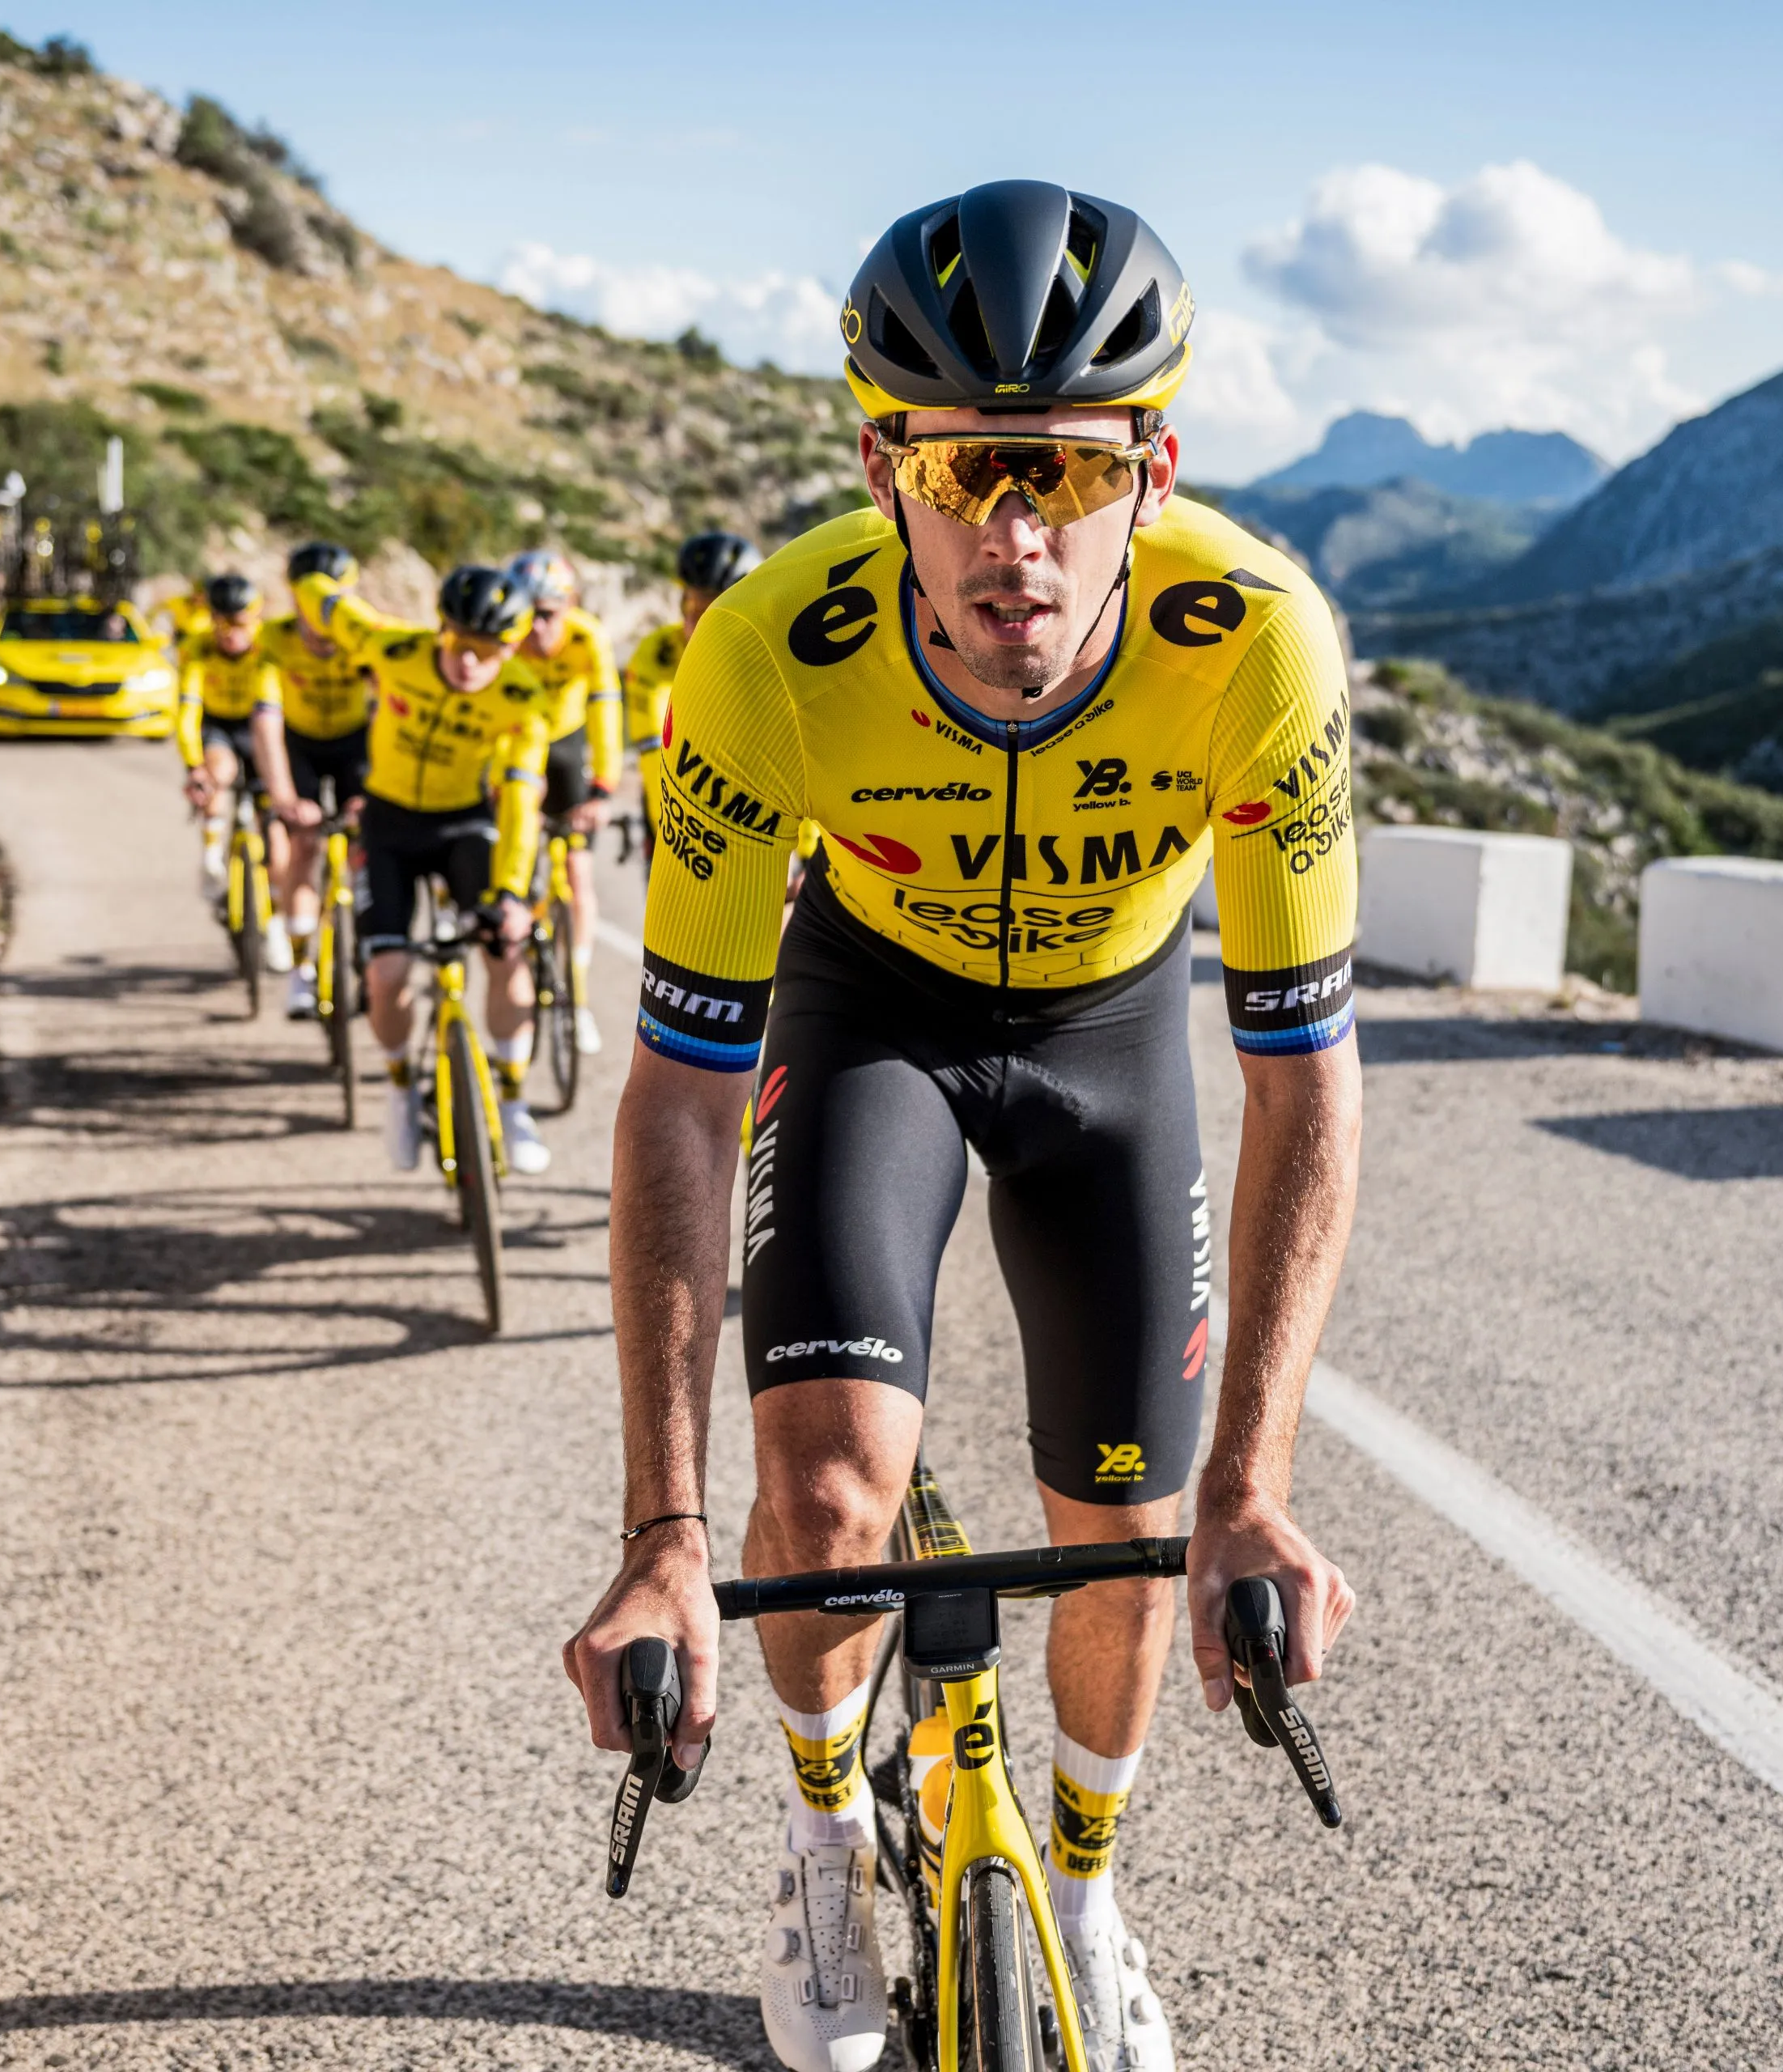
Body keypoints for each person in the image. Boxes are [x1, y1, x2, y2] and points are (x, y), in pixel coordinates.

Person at [562, 180, 1365, 2072]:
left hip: (1109, 1030)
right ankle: (828, 1841)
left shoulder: (1256, 644)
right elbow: (679, 1094)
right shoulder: (765, 651)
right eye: (965, 474)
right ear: (877, 464)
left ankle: (1084, 1888)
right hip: (875, 1018)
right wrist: (665, 1528)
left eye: (1071, 477)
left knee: (1128, 1518)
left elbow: (1300, 1078)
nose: (1018, 536)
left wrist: (1252, 1487)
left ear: (1153, 469)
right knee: (826, 1498)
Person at [358, 566, 561, 1178]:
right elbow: (327, 605)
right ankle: (399, 1087)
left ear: (511, 647)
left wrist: (511, 894)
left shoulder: (525, 699)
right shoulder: (393, 650)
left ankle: (515, 1098)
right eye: (457, 644)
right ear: (438, 629)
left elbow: (522, 799)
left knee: (506, 950)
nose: (470, 663)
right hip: (388, 824)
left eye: (489, 650)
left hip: (463, 827)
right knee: (387, 972)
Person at [257, 541, 398, 1017]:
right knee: (305, 843)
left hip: (356, 743)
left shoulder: (362, 641)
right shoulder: (274, 640)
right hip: (299, 744)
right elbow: (266, 723)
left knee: (368, 848)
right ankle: (301, 971)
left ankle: (364, 951)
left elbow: (390, 713)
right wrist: (282, 797)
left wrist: (377, 787)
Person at [504, 548, 619, 1055]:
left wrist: (604, 788)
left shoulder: (587, 637)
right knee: (513, 852)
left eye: (547, 614)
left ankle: (578, 996)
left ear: (568, 606)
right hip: (517, 743)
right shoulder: (506, 639)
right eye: (526, 614)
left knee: (576, 870)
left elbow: (606, 711)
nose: (535, 627)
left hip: (568, 747)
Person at [174, 573, 298, 975]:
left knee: (277, 844)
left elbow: (272, 708)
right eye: (221, 623)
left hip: (257, 725)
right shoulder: (197, 648)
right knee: (219, 773)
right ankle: (212, 856)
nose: (230, 634)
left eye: (240, 623)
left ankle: (277, 925)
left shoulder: (267, 648)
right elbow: (187, 713)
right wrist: (195, 766)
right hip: (218, 726)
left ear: (256, 619)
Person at [621, 530, 762, 870]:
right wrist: (671, 837)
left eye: (714, 607)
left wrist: (807, 854)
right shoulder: (657, 653)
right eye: (691, 604)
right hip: (670, 790)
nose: (695, 620)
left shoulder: (764, 656)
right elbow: (654, 751)